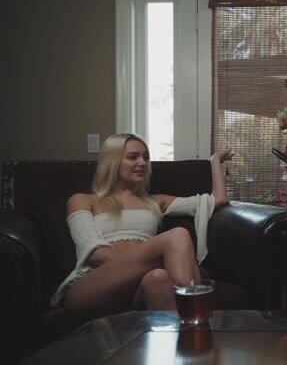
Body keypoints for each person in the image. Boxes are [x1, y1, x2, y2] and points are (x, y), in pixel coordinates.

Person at [51, 133, 234, 313]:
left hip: (138, 285)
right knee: (178, 235)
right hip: (92, 284)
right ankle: (197, 312)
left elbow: (218, 200)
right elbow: (94, 254)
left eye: (146, 157)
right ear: (112, 162)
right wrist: (157, 259)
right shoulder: (83, 200)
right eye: (133, 157)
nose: (143, 163)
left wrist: (215, 161)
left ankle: (189, 329)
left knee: (158, 278)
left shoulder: (154, 202)